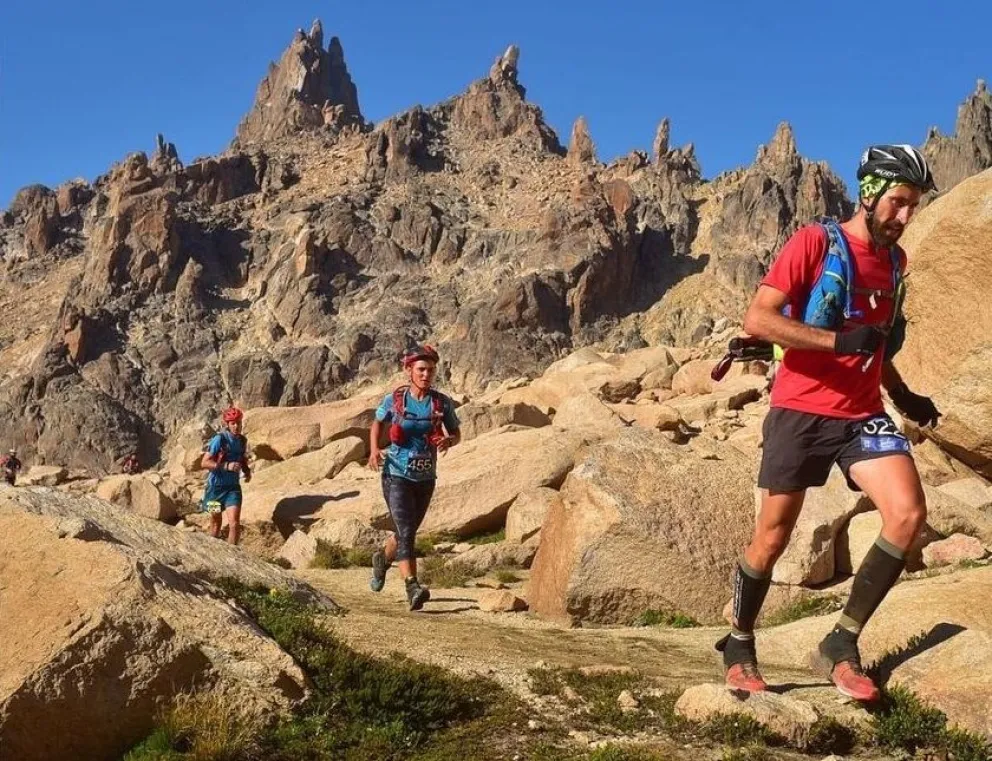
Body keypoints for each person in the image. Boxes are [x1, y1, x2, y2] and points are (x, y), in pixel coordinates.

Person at [717, 145, 942, 702]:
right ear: (869, 194)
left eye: (913, 206)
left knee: (908, 513)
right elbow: (759, 318)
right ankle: (740, 641)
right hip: (801, 409)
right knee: (771, 538)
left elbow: (877, 342)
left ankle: (840, 643)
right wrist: (836, 341)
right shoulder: (814, 243)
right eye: (897, 203)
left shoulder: (896, 263)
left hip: (862, 413)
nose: (905, 217)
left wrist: (904, 394)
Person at [367, 344, 461, 610]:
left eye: (430, 370)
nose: (426, 374)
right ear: (409, 370)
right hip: (395, 474)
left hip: (426, 477)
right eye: (421, 369)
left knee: (404, 532)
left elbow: (456, 433)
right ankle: (412, 587)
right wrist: (374, 449)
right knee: (407, 532)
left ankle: (382, 561)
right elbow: (377, 424)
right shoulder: (395, 400)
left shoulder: (441, 403)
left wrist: (448, 441)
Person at [200, 407, 251, 545]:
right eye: (233, 423)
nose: (236, 426)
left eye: (238, 423)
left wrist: (246, 471)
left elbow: (241, 458)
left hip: (232, 488)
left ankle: (233, 558)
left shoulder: (242, 441)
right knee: (215, 523)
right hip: (214, 489)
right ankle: (212, 553)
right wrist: (226, 466)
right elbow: (204, 462)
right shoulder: (219, 439)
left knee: (234, 524)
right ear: (227, 424)